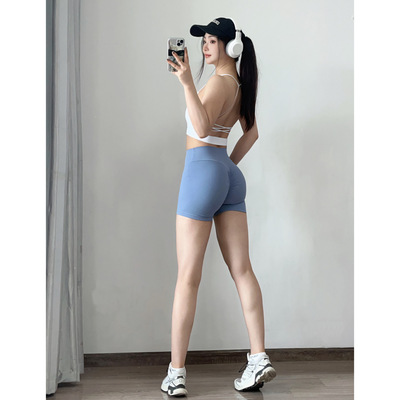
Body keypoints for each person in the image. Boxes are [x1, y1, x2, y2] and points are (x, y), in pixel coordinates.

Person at [162, 17, 276, 397]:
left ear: (231, 47)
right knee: (242, 270)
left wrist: (186, 84)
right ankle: (258, 357)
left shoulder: (219, 83)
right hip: (226, 174)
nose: (204, 47)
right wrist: (226, 167)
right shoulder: (239, 85)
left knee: (187, 278)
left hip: (201, 171)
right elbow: (251, 132)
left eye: (212, 41)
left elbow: (201, 125)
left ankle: (176, 374)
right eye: (204, 41)